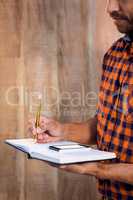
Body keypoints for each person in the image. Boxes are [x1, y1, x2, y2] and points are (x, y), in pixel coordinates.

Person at [28, 0, 133, 199]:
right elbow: (108, 125)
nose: (110, 8)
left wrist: (98, 170)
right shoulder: (115, 54)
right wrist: (62, 131)